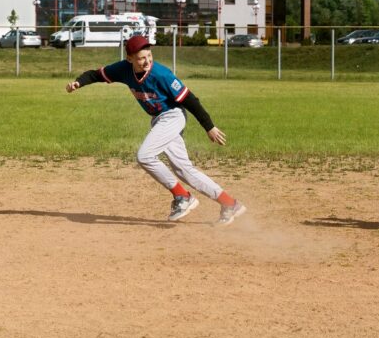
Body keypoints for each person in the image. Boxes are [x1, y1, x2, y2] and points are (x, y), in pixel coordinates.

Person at [65, 34, 247, 225]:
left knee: (144, 156)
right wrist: (78, 83)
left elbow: (190, 100)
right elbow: (96, 74)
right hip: (159, 120)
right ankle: (230, 203)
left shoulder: (161, 74)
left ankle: (182, 197)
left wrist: (209, 127)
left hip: (173, 116)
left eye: (149, 55)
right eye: (141, 58)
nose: (147, 61)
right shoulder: (123, 69)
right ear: (130, 59)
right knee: (184, 170)